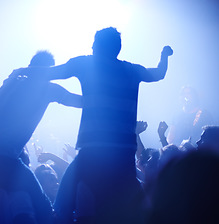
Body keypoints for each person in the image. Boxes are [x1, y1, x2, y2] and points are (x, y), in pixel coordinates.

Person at [14, 27, 173, 223]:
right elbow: (159, 73)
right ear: (118, 48)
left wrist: (22, 72)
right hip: (124, 154)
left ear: (97, 46)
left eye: (93, 43)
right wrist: (164, 55)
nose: (90, 47)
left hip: (93, 150)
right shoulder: (132, 70)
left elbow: (53, 72)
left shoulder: (86, 63)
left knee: (62, 205)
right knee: (131, 210)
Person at [0, 51, 82, 224]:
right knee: (43, 208)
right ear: (47, 72)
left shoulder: (9, 83)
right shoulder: (46, 87)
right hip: (1, 159)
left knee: (5, 206)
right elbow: (79, 101)